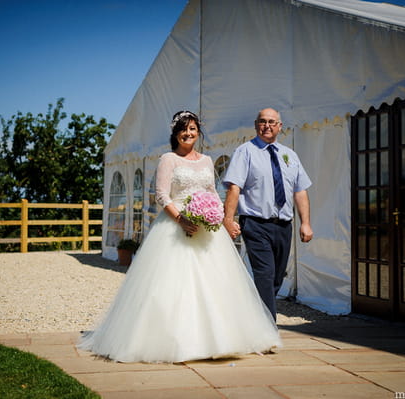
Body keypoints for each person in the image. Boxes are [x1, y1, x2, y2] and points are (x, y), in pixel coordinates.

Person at [78, 110, 281, 363]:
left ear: (198, 132)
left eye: (193, 129)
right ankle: (176, 342)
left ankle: (224, 338)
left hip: (207, 230)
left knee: (218, 285)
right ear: (175, 133)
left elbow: (211, 192)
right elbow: (162, 195)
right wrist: (182, 219)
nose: (188, 133)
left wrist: (217, 216)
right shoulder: (168, 159)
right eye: (183, 129)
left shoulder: (207, 161)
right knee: (174, 286)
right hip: (175, 226)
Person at [223, 107, 313, 320]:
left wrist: (305, 223)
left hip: (283, 225)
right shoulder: (244, 152)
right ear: (256, 125)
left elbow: (300, 191)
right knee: (265, 274)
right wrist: (228, 219)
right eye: (263, 121)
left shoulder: (289, 155)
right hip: (255, 223)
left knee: (276, 278)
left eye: (272, 122)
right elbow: (234, 188)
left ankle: (255, 318)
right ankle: (268, 327)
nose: (267, 126)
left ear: (280, 127)